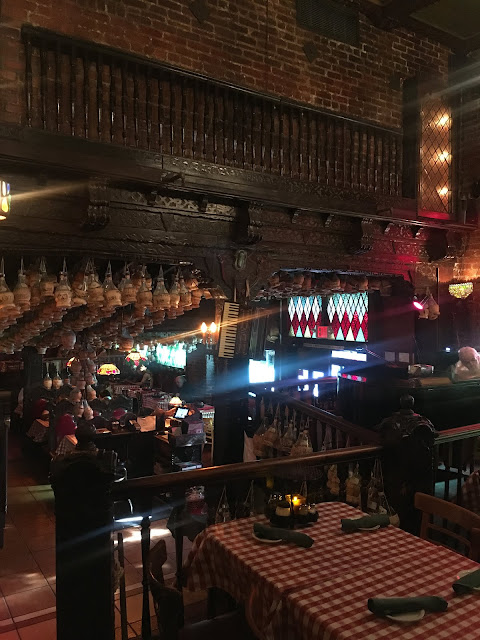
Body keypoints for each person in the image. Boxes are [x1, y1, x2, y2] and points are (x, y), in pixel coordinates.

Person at [376, 395, 437, 533]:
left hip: (402, 476)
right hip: (415, 476)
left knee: (404, 510)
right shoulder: (423, 422)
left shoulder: (391, 423)